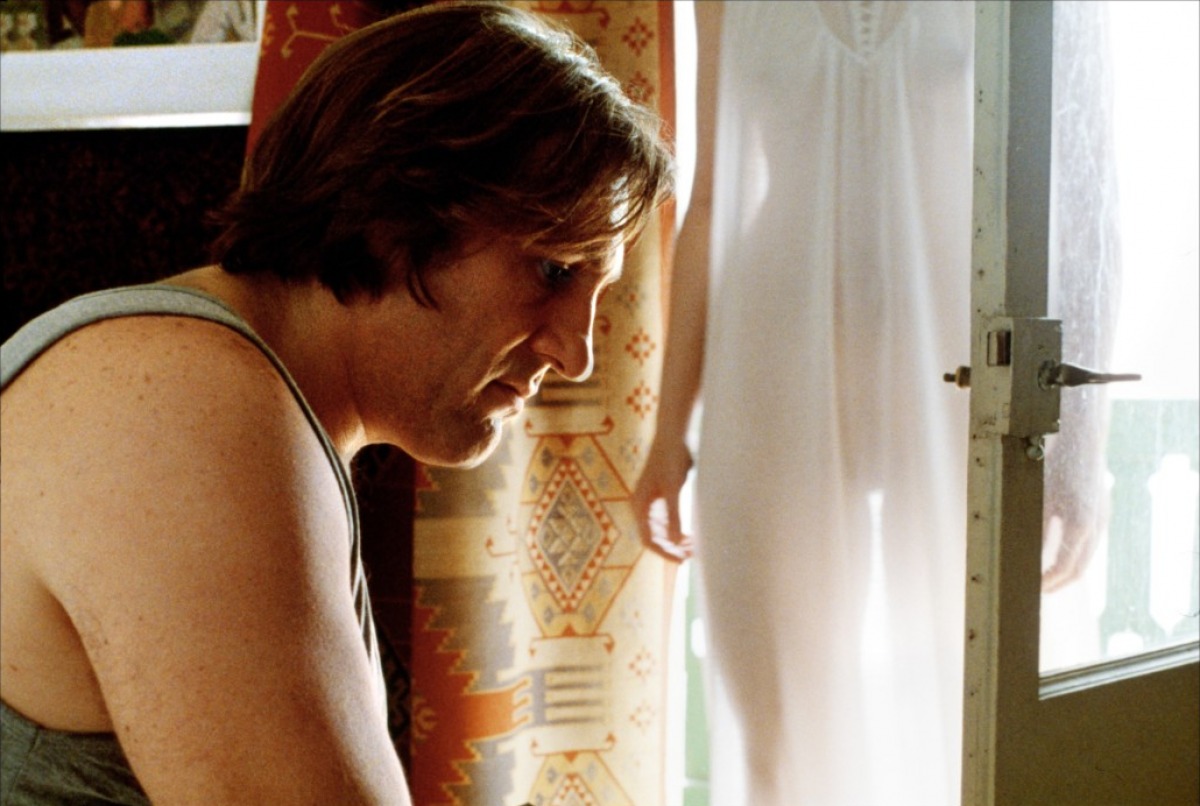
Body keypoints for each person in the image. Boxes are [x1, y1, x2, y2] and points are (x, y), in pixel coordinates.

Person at [0, 2, 673, 803]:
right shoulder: (181, 398)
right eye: (554, 271)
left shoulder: (246, 397)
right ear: (395, 212)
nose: (576, 353)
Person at [633, 2, 973, 803]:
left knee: (965, 706)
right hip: (770, 353)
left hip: (955, 363)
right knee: (778, 727)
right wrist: (668, 430)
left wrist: (1074, 438)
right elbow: (709, 200)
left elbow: (1057, 188)